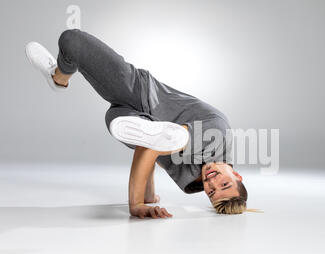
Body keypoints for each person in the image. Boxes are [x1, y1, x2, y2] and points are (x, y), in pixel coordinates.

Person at [25, 29, 247, 218]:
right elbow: (155, 146)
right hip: (140, 92)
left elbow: (156, 152)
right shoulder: (218, 134)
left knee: (146, 135)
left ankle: (136, 125)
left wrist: (149, 195)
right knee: (72, 40)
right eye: (224, 184)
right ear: (237, 176)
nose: (212, 182)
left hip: (131, 117)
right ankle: (59, 79)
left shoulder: (193, 181)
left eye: (211, 192)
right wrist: (137, 204)